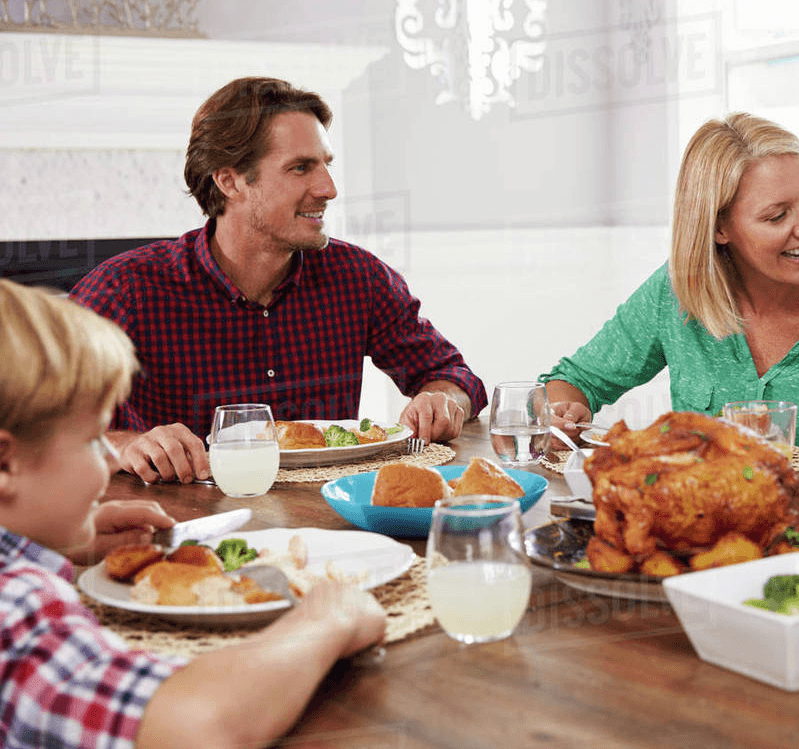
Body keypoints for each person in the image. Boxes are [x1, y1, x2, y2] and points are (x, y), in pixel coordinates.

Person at [0, 278, 386, 748]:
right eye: (91, 440)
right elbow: (200, 726)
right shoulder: (16, 607)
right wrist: (330, 616)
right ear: (5, 464)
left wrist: (60, 543)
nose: (107, 457)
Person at [72, 77, 487, 484]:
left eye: (326, 165)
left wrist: (443, 399)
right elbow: (27, 428)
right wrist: (124, 446)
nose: (329, 188)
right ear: (229, 180)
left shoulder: (358, 278)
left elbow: (452, 374)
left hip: (331, 525)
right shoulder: (124, 291)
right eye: (301, 168)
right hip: (188, 534)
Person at [542, 113, 799, 468]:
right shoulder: (679, 290)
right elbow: (575, 381)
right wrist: (563, 412)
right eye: (777, 215)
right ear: (718, 229)